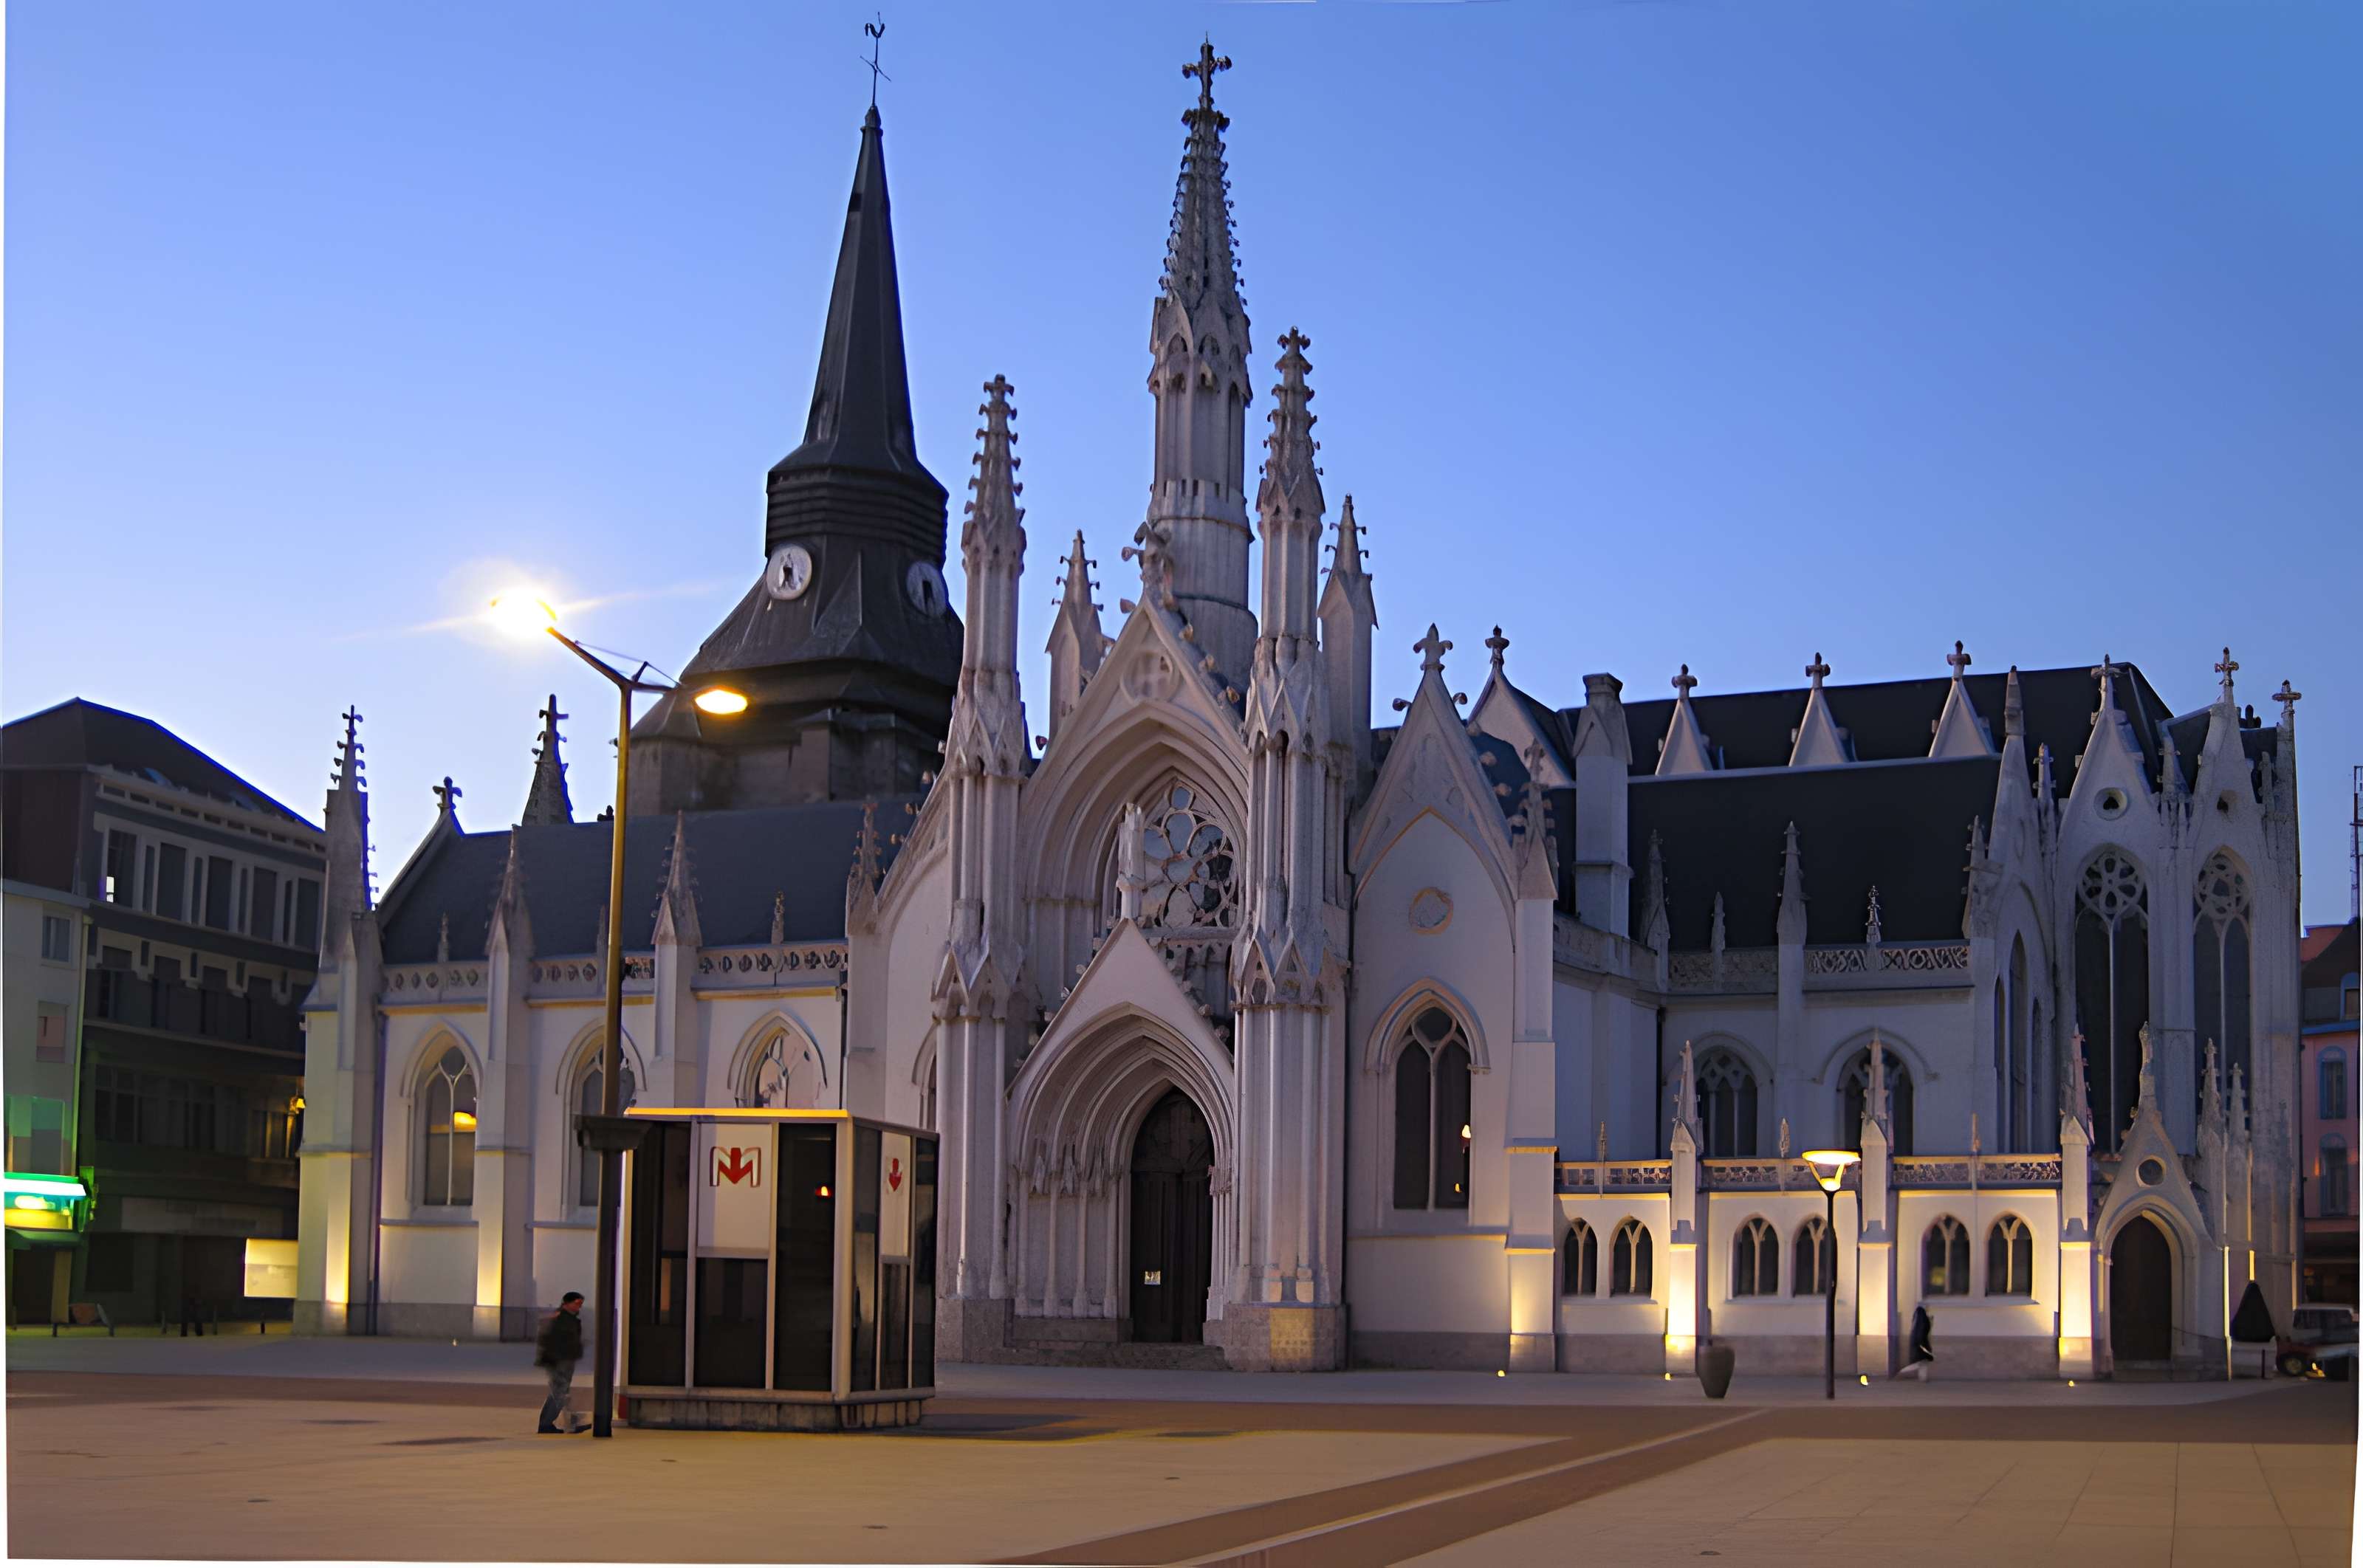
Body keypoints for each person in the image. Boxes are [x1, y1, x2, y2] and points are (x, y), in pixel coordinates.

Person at [535, 1291, 587, 1434]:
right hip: (558, 1362)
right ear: (567, 1303)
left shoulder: (571, 1319)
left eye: (581, 1304)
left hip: (566, 1361)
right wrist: (551, 1360)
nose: (579, 1307)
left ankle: (547, 1424)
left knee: (558, 1393)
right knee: (560, 1392)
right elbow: (547, 1340)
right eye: (577, 1303)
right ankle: (570, 1421)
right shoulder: (558, 1319)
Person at [1893, 1302, 1934, 1380]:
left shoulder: (1919, 1316)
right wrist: (1922, 1345)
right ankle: (1901, 1373)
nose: (1928, 1308)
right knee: (1920, 1363)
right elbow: (1922, 1332)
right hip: (1921, 1344)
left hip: (1921, 1343)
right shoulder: (1922, 1316)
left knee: (1923, 1362)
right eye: (1927, 1307)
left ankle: (1923, 1378)